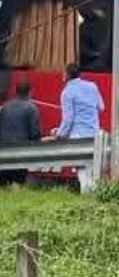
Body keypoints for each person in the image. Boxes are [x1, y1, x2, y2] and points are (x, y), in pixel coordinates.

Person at [53, 63, 104, 192]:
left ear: (68, 75)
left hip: (78, 136)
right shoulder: (92, 86)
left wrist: (58, 134)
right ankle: (94, 198)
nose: (62, 75)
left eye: (63, 72)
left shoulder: (67, 92)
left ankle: (86, 198)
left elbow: (68, 120)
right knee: (91, 170)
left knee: (82, 171)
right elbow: (101, 108)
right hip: (94, 135)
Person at [0, 78, 42, 186]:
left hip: (3, 152)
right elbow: (35, 133)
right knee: (17, 182)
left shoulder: (5, 106)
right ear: (30, 92)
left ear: (15, 92)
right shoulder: (31, 108)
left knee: (1, 184)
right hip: (21, 152)